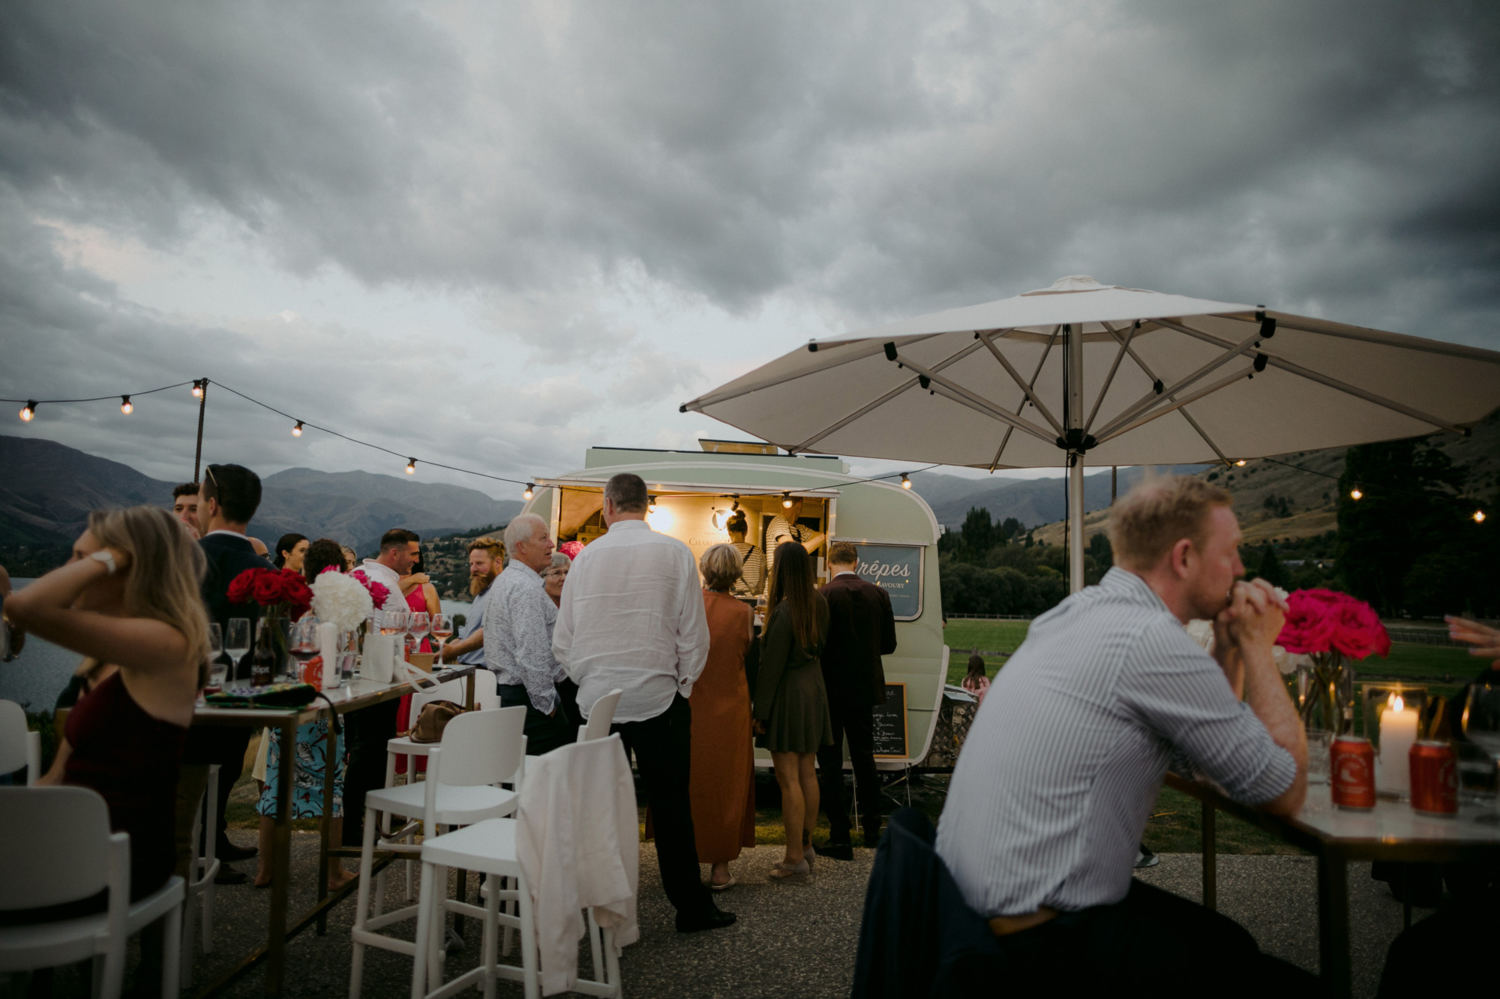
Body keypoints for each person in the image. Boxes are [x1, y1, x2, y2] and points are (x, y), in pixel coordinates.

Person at [934, 476, 1310, 989]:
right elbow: (1282, 790)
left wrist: (1225, 648)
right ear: (1183, 557)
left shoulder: (1074, 613)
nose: (1241, 569)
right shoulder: (1150, 640)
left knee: (1225, 939)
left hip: (964, 918)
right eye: (1232, 551)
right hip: (1033, 948)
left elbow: (1209, 759)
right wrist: (1258, 647)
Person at [554, 473, 732, 933]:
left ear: (608, 506)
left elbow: (564, 641)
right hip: (660, 696)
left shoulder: (585, 559)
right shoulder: (675, 554)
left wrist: (588, 681)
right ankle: (691, 908)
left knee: (596, 807)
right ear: (646, 505)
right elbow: (694, 635)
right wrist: (682, 687)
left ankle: (595, 908)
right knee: (673, 808)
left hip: (598, 703)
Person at [7, 507, 209, 901]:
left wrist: (111, 556)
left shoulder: (168, 645)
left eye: (82, 560)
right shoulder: (100, 659)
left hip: (114, 859)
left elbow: (22, 607)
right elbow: (57, 777)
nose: (69, 569)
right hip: (66, 846)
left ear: (128, 568)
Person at [189, 462, 274, 872]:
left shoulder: (185, 560)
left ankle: (202, 848)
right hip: (243, 695)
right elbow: (275, 649)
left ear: (211, 504)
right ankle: (209, 847)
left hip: (182, 696)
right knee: (225, 770)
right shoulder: (266, 572)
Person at [753, 541, 833, 882]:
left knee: (788, 780)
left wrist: (761, 711)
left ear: (782, 571)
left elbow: (771, 668)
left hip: (788, 693)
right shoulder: (819, 601)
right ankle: (807, 846)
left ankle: (793, 859)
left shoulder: (784, 611)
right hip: (814, 689)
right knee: (807, 773)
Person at [817, 541, 897, 857]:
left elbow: (818, 644)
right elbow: (889, 645)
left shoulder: (823, 595)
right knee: (865, 760)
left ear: (829, 564)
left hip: (831, 689)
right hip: (865, 688)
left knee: (831, 763)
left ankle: (840, 836)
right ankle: (872, 830)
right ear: (857, 562)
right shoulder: (879, 595)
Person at [343, 528, 416, 845]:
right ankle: (356, 826)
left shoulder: (360, 574)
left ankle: (364, 820)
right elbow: (388, 632)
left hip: (361, 678)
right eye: (413, 554)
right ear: (395, 553)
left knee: (364, 753)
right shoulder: (381, 583)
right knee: (370, 755)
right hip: (378, 680)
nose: (417, 560)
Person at [690, 544, 756, 890]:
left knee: (690, 781)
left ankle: (685, 862)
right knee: (726, 786)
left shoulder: (688, 606)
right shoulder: (744, 613)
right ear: (736, 573)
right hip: (731, 708)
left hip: (691, 706)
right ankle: (720, 868)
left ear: (704, 568)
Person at [484, 514, 573, 755]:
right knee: (542, 779)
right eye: (543, 538)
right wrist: (549, 706)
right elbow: (531, 653)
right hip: (529, 701)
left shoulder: (507, 580)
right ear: (522, 547)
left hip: (514, 696)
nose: (551, 544)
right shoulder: (525, 588)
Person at [436, 536, 505, 665]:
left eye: (479, 563)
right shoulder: (481, 594)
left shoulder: (502, 591)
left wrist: (452, 652)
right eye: (471, 564)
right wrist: (443, 652)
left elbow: (487, 633)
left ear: (498, 562)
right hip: (469, 671)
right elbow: (465, 636)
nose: (473, 569)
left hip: (485, 674)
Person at [725, 511, 765, 599]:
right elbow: (761, 584)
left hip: (730, 599)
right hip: (751, 599)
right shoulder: (758, 552)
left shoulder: (725, 552)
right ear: (746, 531)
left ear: (729, 532)